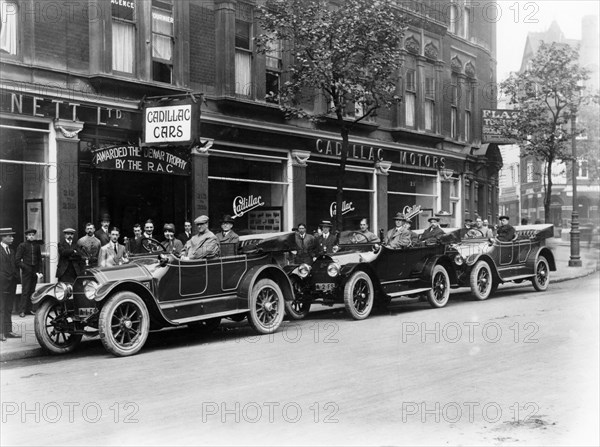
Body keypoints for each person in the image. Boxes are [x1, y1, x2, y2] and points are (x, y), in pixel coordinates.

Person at [15, 228, 43, 317]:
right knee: (25, 291)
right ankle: (22, 310)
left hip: (34, 272)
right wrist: (25, 267)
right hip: (26, 272)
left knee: (32, 290)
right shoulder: (22, 245)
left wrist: (40, 271)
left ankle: (29, 309)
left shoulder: (37, 246)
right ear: (26, 236)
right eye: (29, 235)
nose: (31, 236)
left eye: (33, 235)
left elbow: (39, 260)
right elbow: (17, 260)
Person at [0, 228, 21, 341]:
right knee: (1, 308)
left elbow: (14, 265)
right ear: (3, 237)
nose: (12, 238)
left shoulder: (11, 250)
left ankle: (8, 331)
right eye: (9, 236)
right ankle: (1, 332)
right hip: (2, 283)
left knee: (8, 308)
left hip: (11, 283)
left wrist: (15, 277)